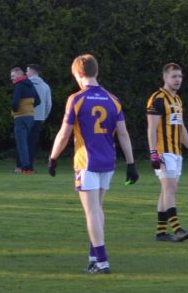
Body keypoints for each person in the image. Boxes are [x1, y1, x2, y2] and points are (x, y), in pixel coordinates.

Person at [46, 54, 138, 274]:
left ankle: (103, 261)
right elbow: (123, 134)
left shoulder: (76, 99)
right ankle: (94, 258)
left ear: (78, 74)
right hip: (108, 160)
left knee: (92, 212)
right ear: (96, 72)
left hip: (86, 161)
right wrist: (131, 163)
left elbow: (64, 133)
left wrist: (53, 158)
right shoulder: (113, 99)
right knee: (97, 209)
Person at [146, 63, 188, 242]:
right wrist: (153, 152)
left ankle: (161, 232)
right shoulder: (157, 99)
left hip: (176, 152)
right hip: (163, 151)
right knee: (170, 189)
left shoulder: (177, 100)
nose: (178, 80)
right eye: (174, 76)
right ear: (165, 78)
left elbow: (181, 126)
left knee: (167, 190)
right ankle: (177, 229)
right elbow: (151, 129)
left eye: (180, 76)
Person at [9, 66, 41, 174]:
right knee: (27, 143)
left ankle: (26, 167)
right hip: (30, 117)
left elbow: (14, 103)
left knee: (21, 143)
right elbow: (38, 101)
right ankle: (28, 166)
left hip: (20, 117)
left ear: (19, 75)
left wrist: (15, 110)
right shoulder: (31, 85)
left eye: (13, 76)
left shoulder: (19, 86)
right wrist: (28, 107)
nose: (11, 78)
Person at [26, 63, 53, 160]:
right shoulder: (45, 86)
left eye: (28, 70)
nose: (26, 73)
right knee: (32, 142)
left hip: (25, 116)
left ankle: (21, 165)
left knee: (23, 141)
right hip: (38, 118)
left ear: (33, 71)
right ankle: (30, 165)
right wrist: (44, 116)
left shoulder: (24, 85)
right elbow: (48, 104)